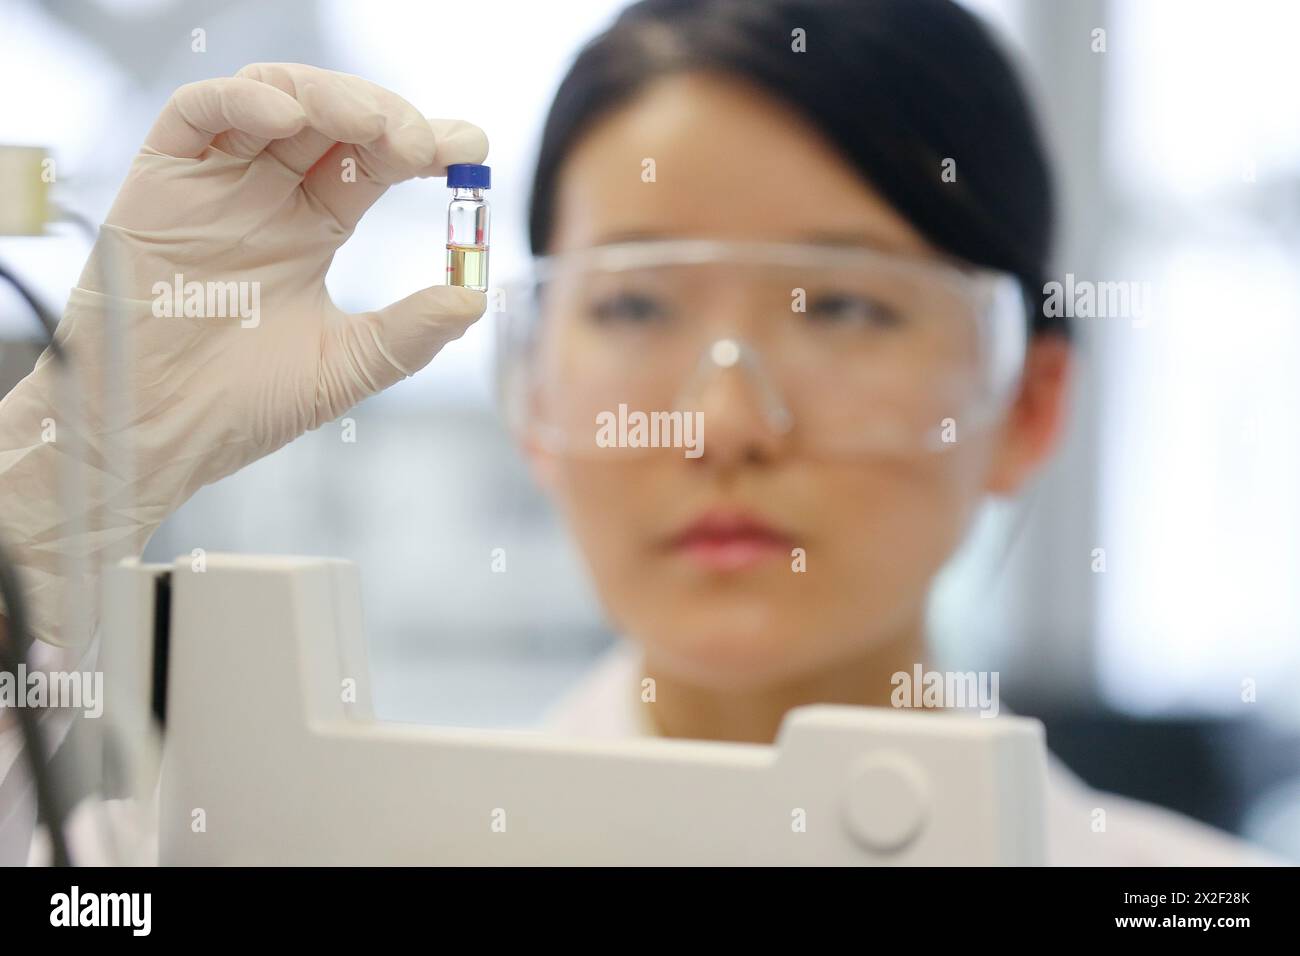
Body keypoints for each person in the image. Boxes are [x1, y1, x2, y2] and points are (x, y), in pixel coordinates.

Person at [0, 0, 1279, 865]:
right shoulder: (278, 844)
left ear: (1030, 401)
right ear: (529, 389)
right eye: (634, 304)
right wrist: (56, 486)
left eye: (840, 303)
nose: (721, 421)